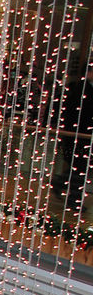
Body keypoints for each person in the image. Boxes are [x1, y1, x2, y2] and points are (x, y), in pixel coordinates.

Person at [51, 67, 93, 211]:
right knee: (80, 167)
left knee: (77, 166)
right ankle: (73, 198)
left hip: (75, 135)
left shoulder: (79, 88)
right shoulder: (83, 90)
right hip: (79, 135)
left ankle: (60, 184)